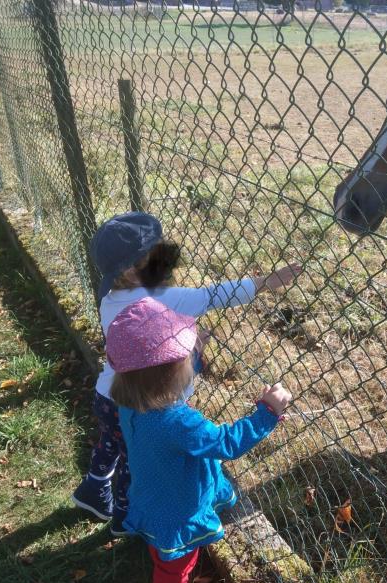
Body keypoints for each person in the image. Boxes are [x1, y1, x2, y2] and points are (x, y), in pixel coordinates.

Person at [72, 211, 299, 535]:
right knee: (132, 464)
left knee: (110, 443)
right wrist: (265, 283)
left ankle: (93, 491)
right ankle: (124, 520)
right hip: (146, 403)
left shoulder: (109, 299)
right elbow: (212, 296)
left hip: (110, 394)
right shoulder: (163, 299)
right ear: (132, 270)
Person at [106, 297, 290, 583]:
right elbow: (226, 443)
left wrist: (191, 355)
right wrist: (266, 414)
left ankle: (159, 558)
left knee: (163, 557)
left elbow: (157, 375)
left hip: (153, 495)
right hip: (179, 510)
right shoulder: (179, 422)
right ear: (171, 373)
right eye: (186, 355)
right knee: (175, 570)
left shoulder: (130, 399)